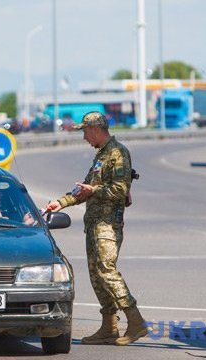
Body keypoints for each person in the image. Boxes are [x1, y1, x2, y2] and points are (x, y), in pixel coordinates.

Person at [45, 111, 146, 346]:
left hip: (107, 224)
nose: (84, 137)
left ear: (96, 129)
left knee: (106, 269)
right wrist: (60, 202)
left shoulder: (118, 153)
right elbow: (84, 188)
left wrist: (94, 191)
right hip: (94, 224)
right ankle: (109, 326)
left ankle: (136, 321)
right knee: (96, 274)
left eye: (85, 132)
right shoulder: (102, 155)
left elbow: (120, 190)